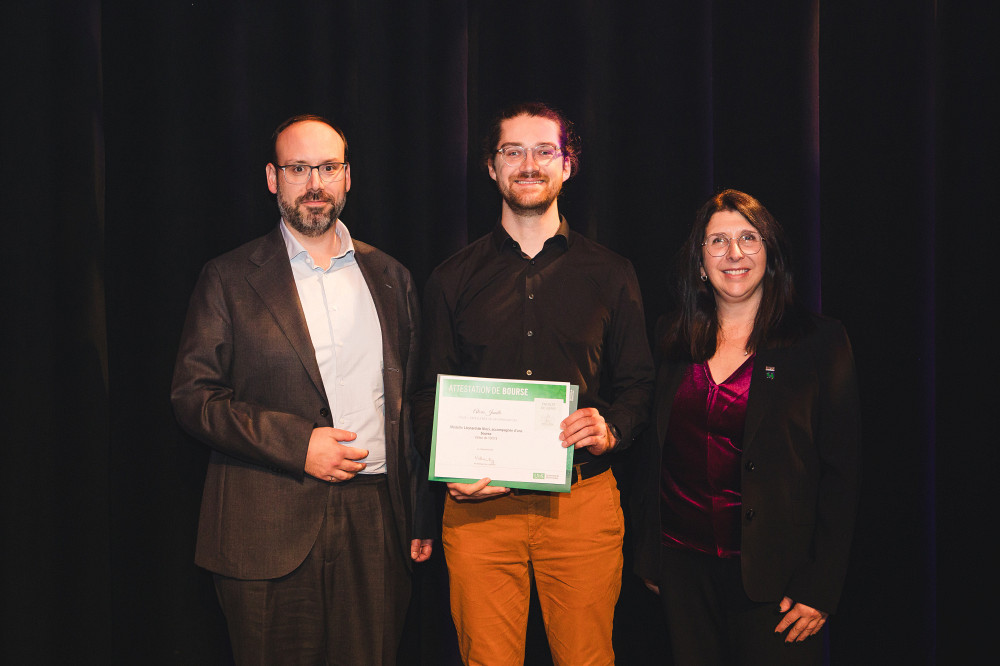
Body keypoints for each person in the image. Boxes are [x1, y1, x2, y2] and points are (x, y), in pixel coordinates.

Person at [171, 114, 432, 666]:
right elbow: (194, 397)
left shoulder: (392, 277)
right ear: (273, 178)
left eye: (328, 167)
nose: (315, 183)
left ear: (348, 176)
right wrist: (299, 444)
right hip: (265, 523)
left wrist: (417, 515)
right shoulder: (228, 278)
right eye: (298, 168)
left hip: (375, 523)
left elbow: (410, 405)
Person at [412, 101, 654, 665]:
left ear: (567, 165)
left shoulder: (611, 273)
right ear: (491, 167)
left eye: (544, 151)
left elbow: (640, 384)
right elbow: (425, 395)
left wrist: (612, 429)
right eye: (512, 151)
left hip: (582, 504)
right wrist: (448, 464)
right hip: (478, 511)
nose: (528, 164)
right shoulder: (450, 279)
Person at [630, 189, 861, 665]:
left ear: (769, 253)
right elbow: (653, 455)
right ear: (700, 262)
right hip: (682, 573)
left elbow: (843, 474)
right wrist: (650, 554)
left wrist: (820, 585)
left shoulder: (820, 342)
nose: (734, 253)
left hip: (778, 584)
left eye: (748, 238)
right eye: (718, 241)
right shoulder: (670, 336)